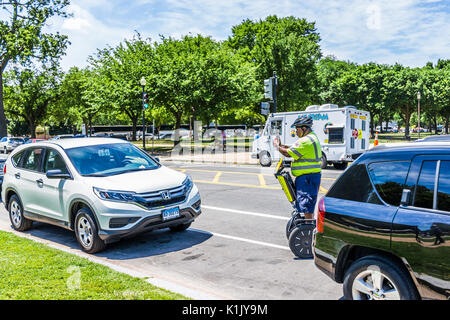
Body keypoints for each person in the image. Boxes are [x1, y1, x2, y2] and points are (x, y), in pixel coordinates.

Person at [274, 117, 322, 220]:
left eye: (297, 129)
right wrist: (281, 145)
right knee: (306, 204)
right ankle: (307, 225)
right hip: (309, 177)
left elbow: (288, 153)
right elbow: (291, 149)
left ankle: (308, 227)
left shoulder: (306, 141)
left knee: (306, 205)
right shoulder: (311, 138)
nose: (296, 131)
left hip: (307, 178)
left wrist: (277, 147)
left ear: (304, 128)